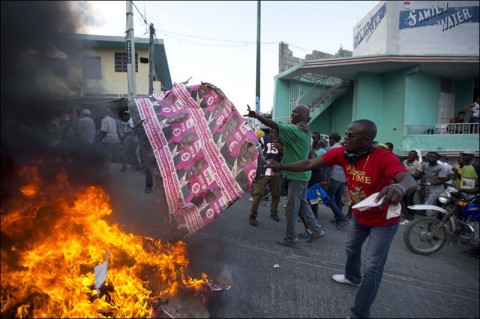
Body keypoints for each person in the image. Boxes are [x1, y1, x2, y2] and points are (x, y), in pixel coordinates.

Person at [264, 119, 417, 319]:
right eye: (346, 132)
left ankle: (359, 314)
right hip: (361, 215)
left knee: (372, 267)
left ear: (366, 140)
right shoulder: (342, 154)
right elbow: (310, 163)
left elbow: (409, 180)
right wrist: (281, 165)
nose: (346, 137)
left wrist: (399, 187)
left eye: (351, 135)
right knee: (351, 248)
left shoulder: (383, 157)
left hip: (384, 221)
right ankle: (353, 277)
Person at [245, 104, 326, 246]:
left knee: (291, 209)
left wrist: (256, 116)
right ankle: (317, 230)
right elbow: (293, 145)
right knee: (303, 204)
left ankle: (291, 238)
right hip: (302, 175)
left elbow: (274, 124)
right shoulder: (306, 130)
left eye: (294, 113)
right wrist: (282, 146)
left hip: (297, 176)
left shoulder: (295, 129)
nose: (291, 114)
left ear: (301, 116)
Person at [249, 128, 282, 226]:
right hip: (264, 170)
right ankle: (252, 215)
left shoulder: (281, 141)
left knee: (276, 194)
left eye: (274, 131)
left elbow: (284, 154)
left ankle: (274, 212)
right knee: (258, 194)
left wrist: (281, 147)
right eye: (271, 131)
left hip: (276, 171)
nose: (272, 133)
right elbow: (256, 149)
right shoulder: (264, 139)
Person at [325, 133, 350, 229]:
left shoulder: (334, 148)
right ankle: (338, 220)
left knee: (328, 198)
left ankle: (342, 218)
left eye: (329, 140)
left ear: (332, 139)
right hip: (342, 177)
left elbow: (329, 163)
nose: (329, 142)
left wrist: (327, 176)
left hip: (335, 177)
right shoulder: (342, 148)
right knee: (338, 199)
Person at [414, 151, 448, 216]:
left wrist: (428, 183)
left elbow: (441, 180)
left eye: (433, 157)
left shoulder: (441, 168)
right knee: (431, 205)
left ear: (437, 159)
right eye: (428, 156)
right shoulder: (424, 165)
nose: (430, 158)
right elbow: (419, 175)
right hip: (427, 188)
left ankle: (430, 221)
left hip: (437, 189)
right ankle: (435, 220)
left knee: (428, 205)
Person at [400, 150, 422, 224]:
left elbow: (418, 175)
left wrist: (407, 175)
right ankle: (407, 213)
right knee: (404, 199)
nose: (410, 156)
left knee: (409, 199)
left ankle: (411, 214)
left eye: (412, 155)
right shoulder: (405, 162)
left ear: (415, 156)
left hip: (413, 184)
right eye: (409, 154)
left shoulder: (418, 164)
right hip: (405, 183)